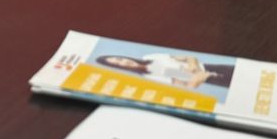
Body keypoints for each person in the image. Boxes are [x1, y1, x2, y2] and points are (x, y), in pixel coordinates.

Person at [95, 53, 236, 91]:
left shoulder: (150, 57)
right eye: (118, 64)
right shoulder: (149, 75)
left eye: (120, 59)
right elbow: (188, 85)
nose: (123, 62)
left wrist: (193, 66)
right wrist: (200, 77)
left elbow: (189, 58)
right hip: (212, 79)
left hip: (214, 66)